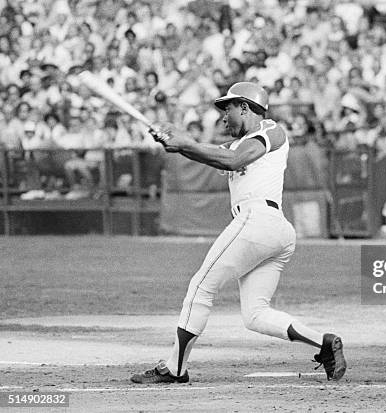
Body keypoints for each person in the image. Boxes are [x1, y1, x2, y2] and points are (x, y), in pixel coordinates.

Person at [130, 82, 346, 384]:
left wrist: (184, 143)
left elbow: (232, 160)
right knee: (255, 314)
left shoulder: (272, 131)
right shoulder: (240, 144)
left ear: (245, 107)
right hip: (273, 229)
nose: (223, 117)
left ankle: (175, 368)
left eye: (227, 109)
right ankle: (324, 343)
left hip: (258, 220)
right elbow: (212, 154)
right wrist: (175, 139)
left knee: (200, 286)